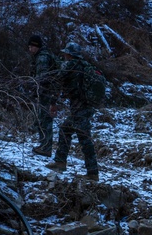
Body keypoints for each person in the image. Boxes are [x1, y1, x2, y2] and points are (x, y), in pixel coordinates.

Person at [46, 42, 100, 181]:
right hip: (86, 107)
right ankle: (60, 162)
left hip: (80, 108)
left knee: (84, 139)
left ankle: (92, 173)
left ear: (69, 54)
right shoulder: (85, 66)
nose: (64, 55)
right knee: (65, 129)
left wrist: (53, 103)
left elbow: (57, 82)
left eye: (65, 53)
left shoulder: (69, 65)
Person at [27, 35, 59, 157]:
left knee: (45, 119)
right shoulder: (42, 56)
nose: (29, 49)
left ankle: (46, 147)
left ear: (36, 46)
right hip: (47, 91)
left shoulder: (42, 58)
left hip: (47, 92)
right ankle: (44, 145)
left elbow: (42, 78)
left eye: (31, 46)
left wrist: (36, 90)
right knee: (42, 118)